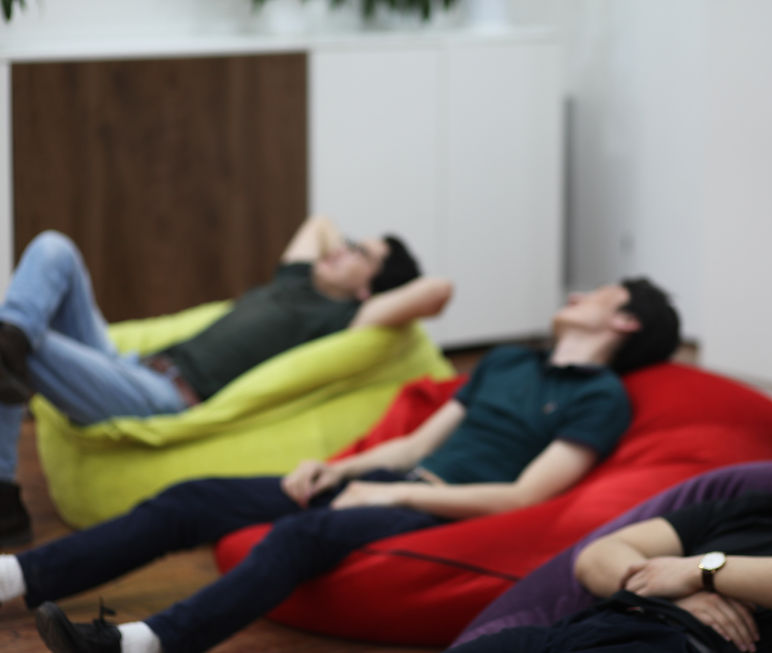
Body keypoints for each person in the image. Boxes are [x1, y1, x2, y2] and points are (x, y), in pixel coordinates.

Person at [0, 277, 681, 653]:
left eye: (599, 292)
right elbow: (416, 444)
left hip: (434, 506)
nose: (577, 292)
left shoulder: (601, 398)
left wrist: (400, 499)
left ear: (623, 323)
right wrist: (335, 471)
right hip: (390, 483)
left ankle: (141, 645)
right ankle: (12, 576)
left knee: (295, 538)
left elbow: (523, 495)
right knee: (189, 497)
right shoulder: (506, 360)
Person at [0, 217, 453, 546]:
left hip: (161, 396)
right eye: (349, 244)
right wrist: (351, 251)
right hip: (132, 363)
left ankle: (2, 488)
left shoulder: (348, 316)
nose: (340, 249)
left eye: (359, 253)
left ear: (370, 291)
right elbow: (320, 225)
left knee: (25, 345)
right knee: (53, 248)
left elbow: (438, 292)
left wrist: (374, 286)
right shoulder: (297, 278)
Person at [447, 405, 772, 653]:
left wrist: (702, 569)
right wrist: (682, 589)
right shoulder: (753, 508)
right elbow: (599, 555)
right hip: (578, 630)